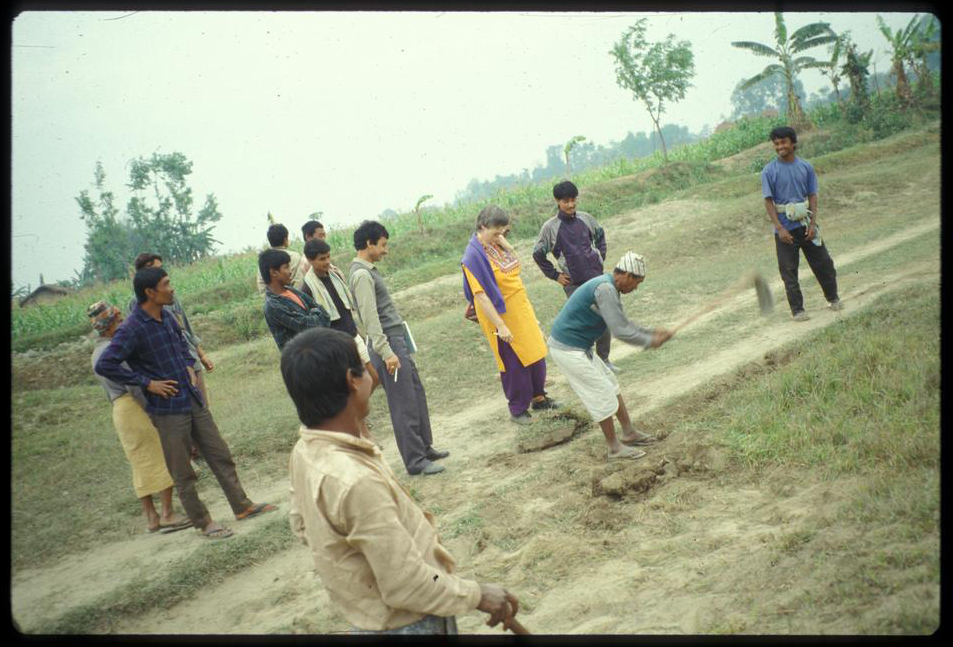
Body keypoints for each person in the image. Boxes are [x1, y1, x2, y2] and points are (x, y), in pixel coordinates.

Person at [284, 327, 521, 635]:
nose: (373, 377)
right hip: (410, 623)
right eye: (366, 369)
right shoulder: (355, 482)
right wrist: (477, 595)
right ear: (352, 380)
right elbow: (405, 585)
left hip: (370, 617)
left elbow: (301, 525)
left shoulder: (305, 452)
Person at [96, 266, 277, 540]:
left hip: (191, 400)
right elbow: (106, 364)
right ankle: (204, 522)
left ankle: (242, 506)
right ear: (150, 292)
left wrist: (189, 365)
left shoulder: (166, 316)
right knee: (183, 471)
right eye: (166, 284)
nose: (172, 288)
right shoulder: (132, 328)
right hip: (166, 410)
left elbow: (180, 342)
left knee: (219, 454)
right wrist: (147, 383)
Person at [547, 252, 673, 461]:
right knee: (602, 392)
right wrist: (649, 341)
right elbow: (620, 331)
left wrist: (651, 333)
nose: (636, 288)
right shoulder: (605, 289)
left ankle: (629, 432)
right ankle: (614, 447)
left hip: (579, 348)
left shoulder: (609, 288)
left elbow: (623, 324)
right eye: (637, 283)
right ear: (625, 276)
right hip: (568, 349)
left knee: (611, 384)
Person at [348, 220, 448, 476]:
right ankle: (415, 461)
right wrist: (387, 352)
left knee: (415, 393)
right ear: (369, 244)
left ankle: (425, 447)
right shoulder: (361, 274)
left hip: (396, 339)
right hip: (388, 343)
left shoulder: (367, 270)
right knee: (403, 402)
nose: (385, 250)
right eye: (382, 245)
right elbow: (370, 320)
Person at [88, 301, 191, 535]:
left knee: (139, 462)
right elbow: (133, 384)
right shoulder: (114, 350)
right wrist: (151, 411)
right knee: (159, 456)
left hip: (119, 410)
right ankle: (167, 513)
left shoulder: (96, 353)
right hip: (133, 406)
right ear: (110, 324)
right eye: (119, 320)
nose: (123, 322)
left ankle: (151, 517)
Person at [461, 205, 557, 425]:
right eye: (495, 232)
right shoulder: (472, 257)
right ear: (482, 227)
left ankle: (539, 398)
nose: (499, 236)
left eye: (502, 232)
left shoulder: (497, 245)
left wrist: (507, 245)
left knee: (535, 352)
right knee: (514, 362)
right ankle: (518, 410)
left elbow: (515, 269)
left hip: (520, 307)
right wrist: (500, 326)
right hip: (499, 314)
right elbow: (481, 296)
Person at [533, 180, 617, 372]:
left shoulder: (586, 219)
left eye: (573, 200)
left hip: (597, 278)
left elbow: (600, 235)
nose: (570, 205)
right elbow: (538, 253)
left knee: (605, 317)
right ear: (557, 201)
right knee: (586, 321)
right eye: (565, 201)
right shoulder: (550, 227)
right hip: (574, 284)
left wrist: (599, 256)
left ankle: (604, 360)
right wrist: (555, 275)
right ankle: (589, 362)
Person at [762, 125, 842, 321]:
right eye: (776, 143)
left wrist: (813, 224)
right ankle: (798, 310)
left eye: (783, 142)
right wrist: (779, 228)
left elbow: (812, 195)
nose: (780, 146)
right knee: (788, 271)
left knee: (824, 263)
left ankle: (833, 298)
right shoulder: (769, 171)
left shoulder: (806, 167)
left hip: (806, 226)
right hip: (785, 231)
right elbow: (768, 201)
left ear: (793, 143)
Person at [300, 237, 380, 391]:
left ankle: (356, 412)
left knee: (374, 379)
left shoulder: (335, 275)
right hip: (337, 346)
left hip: (353, 336)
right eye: (322, 259)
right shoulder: (307, 289)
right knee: (353, 386)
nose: (327, 261)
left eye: (328, 256)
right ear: (310, 261)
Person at [260, 248, 331, 351]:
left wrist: (314, 313)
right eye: (286, 267)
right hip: (302, 360)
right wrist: (316, 313)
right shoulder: (273, 306)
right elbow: (309, 326)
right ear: (274, 272)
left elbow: (325, 313)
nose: (290, 271)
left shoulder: (291, 290)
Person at [256, 223, 309, 295]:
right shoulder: (295, 256)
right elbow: (298, 282)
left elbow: (261, 285)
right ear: (285, 239)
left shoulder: (264, 259)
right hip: (292, 298)